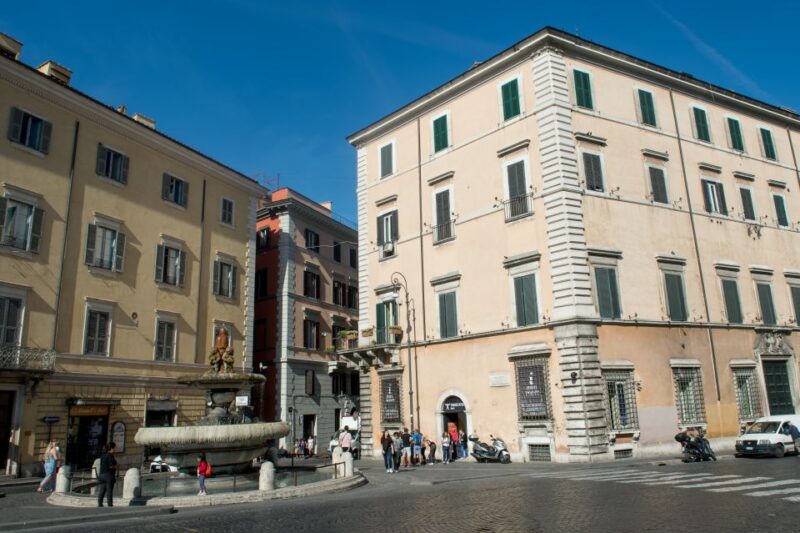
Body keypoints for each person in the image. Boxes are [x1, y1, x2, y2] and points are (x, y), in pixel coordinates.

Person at [96, 442, 117, 507]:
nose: (115, 449)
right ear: (111, 448)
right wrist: (117, 466)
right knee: (109, 490)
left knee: (102, 490)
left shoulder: (103, 455)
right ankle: (110, 504)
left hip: (102, 475)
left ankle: (100, 503)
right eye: (114, 448)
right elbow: (111, 466)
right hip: (108, 475)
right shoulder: (110, 455)